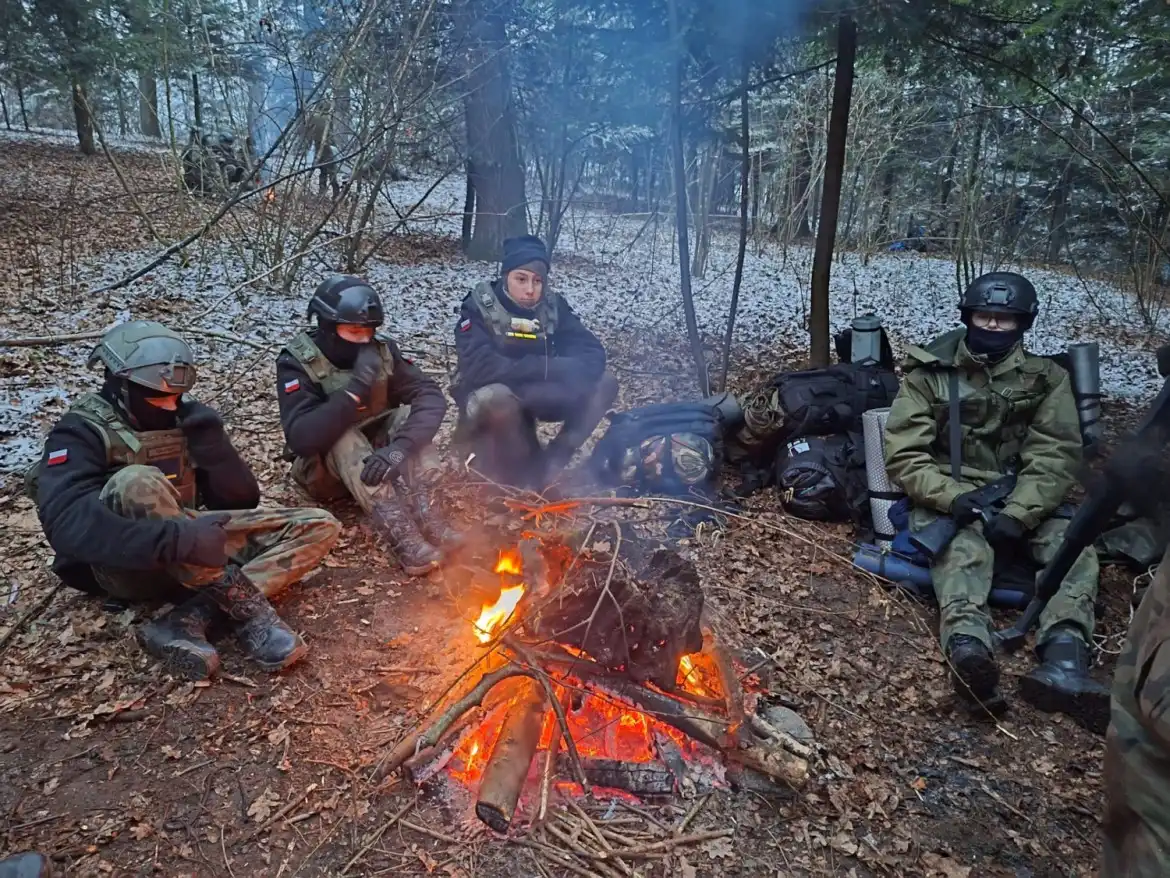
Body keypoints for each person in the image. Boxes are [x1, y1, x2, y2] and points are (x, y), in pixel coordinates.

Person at [30, 320, 341, 681]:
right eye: (157, 397)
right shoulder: (79, 431)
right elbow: (66, 523)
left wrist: (215, 450)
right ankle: (247, 610)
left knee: (319, 525)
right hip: (127, 566)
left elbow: (242, 501)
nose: (169, 405)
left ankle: (188, 617)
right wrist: (176, 540)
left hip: (190, 549)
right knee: (137, 481)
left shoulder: (182, 416)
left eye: (176, 396)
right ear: (120, 385)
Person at [883, 271, 1108, 732]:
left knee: (1073, 549)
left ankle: (1065, 657)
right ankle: (970, 654)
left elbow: (1055, 453)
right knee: (961, 552)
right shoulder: (930, 373)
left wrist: (1020, 512)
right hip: (950, 494)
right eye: (985, 316)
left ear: (1023, 324)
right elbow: (905, 455)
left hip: (1022, 491)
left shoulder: (1046, 379)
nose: (993, 326)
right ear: (968, 316)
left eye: (1004, 320)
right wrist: (954, 498)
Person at [276, 274, 458, 576]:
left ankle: (432, 516)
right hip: (324, 473)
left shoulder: (383, 352)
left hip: (380, 460)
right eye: (354, 330)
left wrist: (399, 449)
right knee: (340, 434)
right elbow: (302, 439)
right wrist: (353, 391)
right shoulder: (298, 362)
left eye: (369, 332)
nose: (363, 340)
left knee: (407, 417)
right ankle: (405, 539)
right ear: (327, 325)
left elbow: (429, 396)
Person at [451, 234, 618, 491]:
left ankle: (554, 460)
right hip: (489, 402)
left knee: (605, 383)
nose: (530, 290)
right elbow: (480, 367)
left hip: (536, 392)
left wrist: (557, 370)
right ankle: (521, 469)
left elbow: (592, 353)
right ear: (506, 276)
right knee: (497, 397)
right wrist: (544, 368)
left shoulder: (551, 308)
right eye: (521, 279)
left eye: (538, 281)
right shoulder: (478, 307)